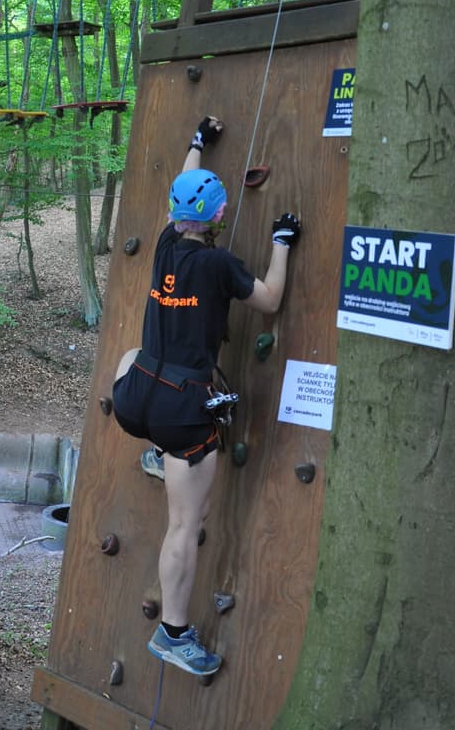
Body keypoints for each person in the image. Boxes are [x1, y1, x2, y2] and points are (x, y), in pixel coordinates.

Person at [111, 115, 301, 677]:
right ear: (218, 218)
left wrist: (197, 141)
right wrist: (282, 243)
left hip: (134, 395)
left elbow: (184, 183)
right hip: (181, 413)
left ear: (174, 215)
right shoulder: (218, 263)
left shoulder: (166, 245)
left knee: (132, 354)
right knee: (184, 527)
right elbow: (267, 300)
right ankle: (173, 634)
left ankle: (155, 452)